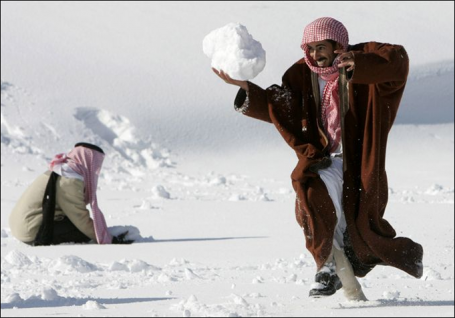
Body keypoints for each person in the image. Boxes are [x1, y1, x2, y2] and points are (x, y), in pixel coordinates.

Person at [213, 17, 423, 301]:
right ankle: (327, 270)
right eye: (309, 48)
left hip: (358, 164)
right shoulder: (301, 74)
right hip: (322, 161)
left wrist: (359, 64)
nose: (315, 54)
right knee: (313, 200)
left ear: (338, 45)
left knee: (358, 232)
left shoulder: (360, 64)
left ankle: (362, 278)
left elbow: (397, 61)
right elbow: (280, 107)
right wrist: (246, 87)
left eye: (321, 47)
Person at [9, 142, 133, 245]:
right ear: (88, 160)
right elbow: (79, 217)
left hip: (24, 225)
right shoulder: (70, 178)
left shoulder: (62, 169)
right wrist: (108, 239)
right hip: (30, 229)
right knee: (82, 232)